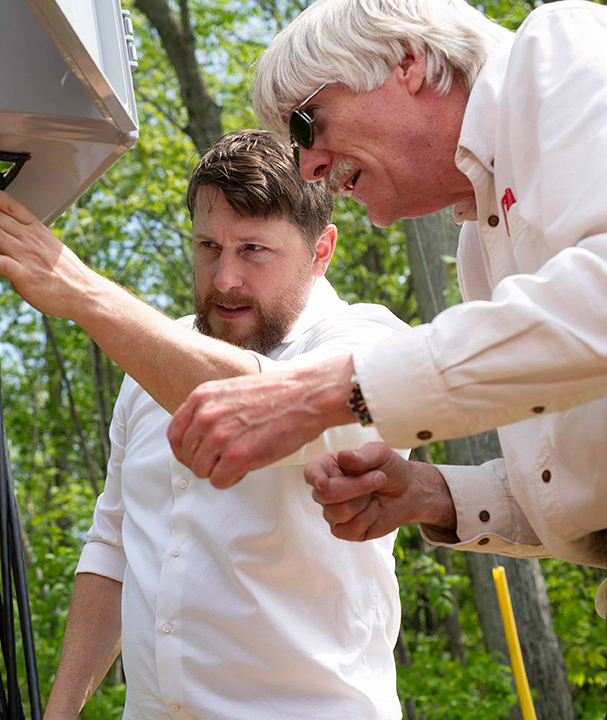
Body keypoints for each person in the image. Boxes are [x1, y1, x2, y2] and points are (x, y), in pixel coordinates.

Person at [0, 130, 409, 719]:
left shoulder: (374, 344)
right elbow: (114, 550)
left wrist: (85, 295)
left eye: (254, 250)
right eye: (209, 246)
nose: (225, 278)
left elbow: (276, 403)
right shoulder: (150, 367)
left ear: (322, 251)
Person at [165, 0, 607, 572]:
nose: (307, 169)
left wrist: (321, 395)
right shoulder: (480, 247)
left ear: (406, 60)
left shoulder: (556, 51)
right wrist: (432, 494)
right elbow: (583, 487)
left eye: (307, 124)